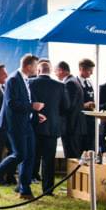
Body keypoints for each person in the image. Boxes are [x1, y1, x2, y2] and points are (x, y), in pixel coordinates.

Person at [0, 54, 40, 201]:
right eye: (35, 66)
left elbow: (27, 100)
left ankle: (25, 190)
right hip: (15, 124)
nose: (37, 69)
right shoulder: (14, 79)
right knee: (20, 154)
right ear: (28, 66)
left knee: (30, 155)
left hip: (26, 123)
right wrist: (31, 106)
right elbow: (11, 103)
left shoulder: (25, 79)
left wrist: (35, 112)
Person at [29, 60, 70, 196]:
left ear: (39, 71)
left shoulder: (30, 82)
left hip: (33, 125)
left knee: (31, 156)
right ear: (50, 71)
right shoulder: (60, 85)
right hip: (51, 127)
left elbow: (27, 102)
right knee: (49, 160)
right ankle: (48, 189)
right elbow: (66, 106)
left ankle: (25, 185)